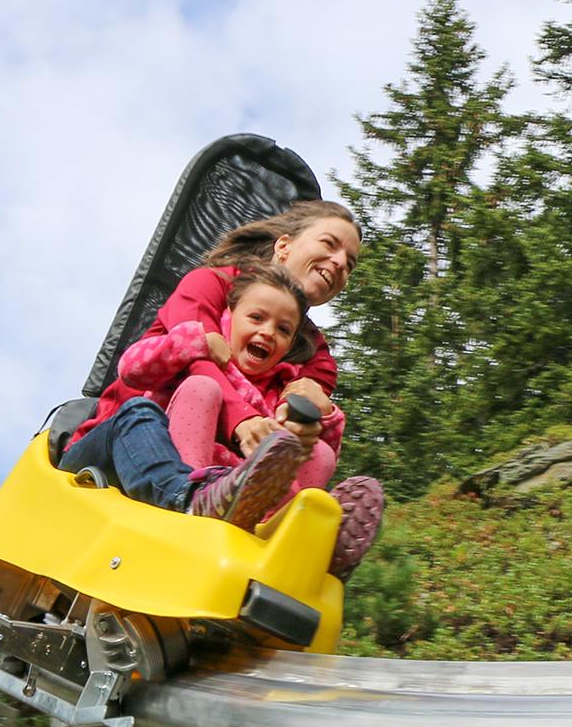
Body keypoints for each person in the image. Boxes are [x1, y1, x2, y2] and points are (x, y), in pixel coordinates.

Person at [122, 200, 383, 578]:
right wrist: (244, 421)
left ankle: (288, 539)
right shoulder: (211, 284)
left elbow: (302, 421)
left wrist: (310, 422)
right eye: (329, 244)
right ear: (284, 246)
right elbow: (198, 356)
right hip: (149, 438)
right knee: (201, 387)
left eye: (350, 263)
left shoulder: (314, 353)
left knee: (321, 452)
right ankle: (190, 503)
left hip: (239, 473)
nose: (341, 263)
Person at [58, 266, 321, 532]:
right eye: (256, 318)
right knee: (147, 408)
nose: (267, 332)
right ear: (230, 315)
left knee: (315, 450)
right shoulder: (198, 352)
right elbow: (131, 367)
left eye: (283, 330)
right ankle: (189, 498)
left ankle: (296, 532)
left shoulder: (276, 393)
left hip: (225, 491)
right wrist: (194, 343)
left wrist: (320, 419)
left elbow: (290, 458)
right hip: (116, 460)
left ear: (288, 346)